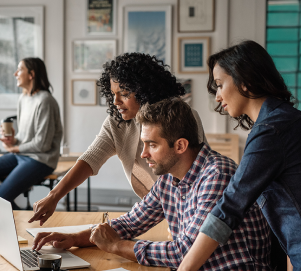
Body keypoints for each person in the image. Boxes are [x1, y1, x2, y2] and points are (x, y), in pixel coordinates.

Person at [32, 98, 272, 270]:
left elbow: (182, 253)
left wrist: (117, 247)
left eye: (152, 145)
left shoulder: (216, 174)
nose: (143, 154)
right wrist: (75, 238)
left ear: (180, 146)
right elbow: (131, 222)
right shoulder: (169, 178)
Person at [29, 53, 207, 225]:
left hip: (190, 208)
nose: (115, 101)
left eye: (124, 93)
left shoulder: (180, 117)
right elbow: (91, 158)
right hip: (154, 209)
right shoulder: (118, 122)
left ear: (145, 90)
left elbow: (196, 173)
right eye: (113, 93)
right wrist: (53, 197)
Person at [177, 40, 301, 271]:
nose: (217, 96)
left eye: (220, 84)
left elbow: (230, 206)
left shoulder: (271, 131)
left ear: (246, 80)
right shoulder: (284, 120)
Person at [0, 57, 62, 210]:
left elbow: (42, 144)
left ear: (31, 74)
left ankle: (17, 224)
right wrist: (13, 140)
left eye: (19, 70)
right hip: (21, 156)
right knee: (0, 200)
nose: (15, 74)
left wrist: (15, 148)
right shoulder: (23, 98)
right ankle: (14, 215)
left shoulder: (45, 101)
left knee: (0, 200)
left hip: (40, 160)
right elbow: (25, 138)